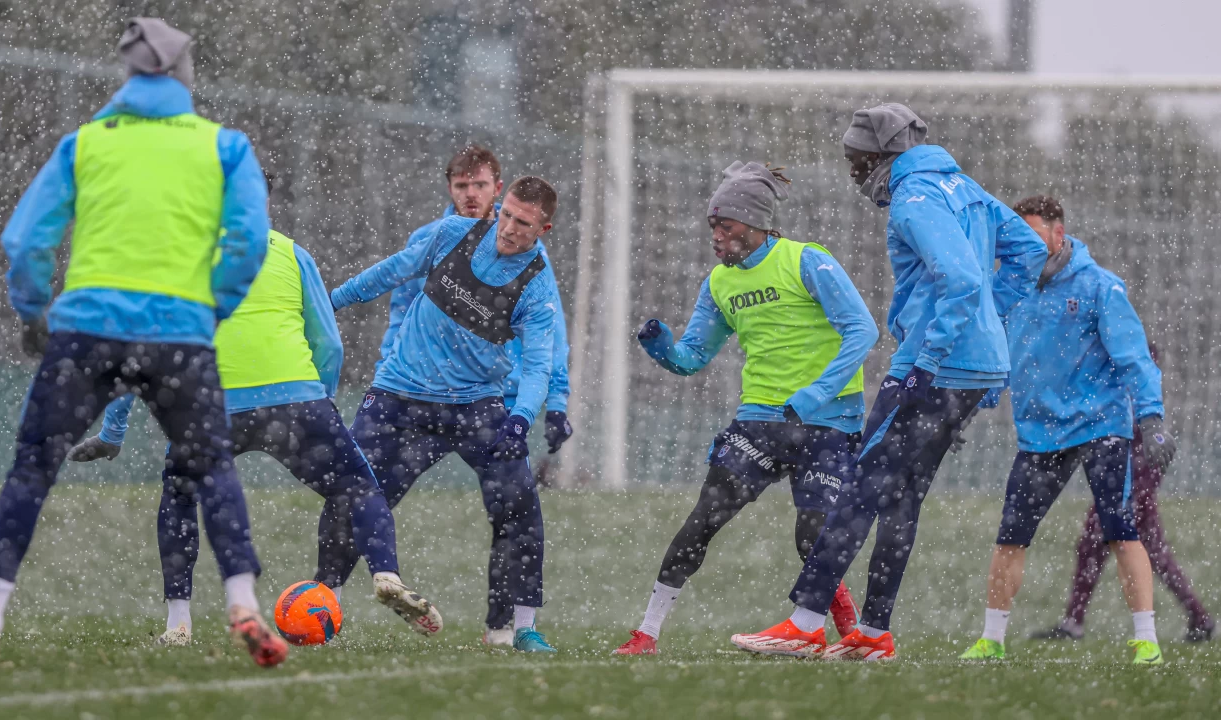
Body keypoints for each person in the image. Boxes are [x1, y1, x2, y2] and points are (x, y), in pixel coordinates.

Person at [0, 18, 286, 668]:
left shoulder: (85, 144)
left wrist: (30, 309)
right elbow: (246, 243)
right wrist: (209, 309)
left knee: (32, 470)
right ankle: (243, 602)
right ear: (186, 77)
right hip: (180, 336)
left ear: (127, 76)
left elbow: (25, 242)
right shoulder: (225, 146)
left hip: (85, 331)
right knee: (212, 468)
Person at [730, 103, 1048, 661]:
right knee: (902, 497)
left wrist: (930, 356)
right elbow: (1029, 250)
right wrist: (986, 323)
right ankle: (874, 635)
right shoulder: (964, 186)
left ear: (882, 155)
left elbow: (961, 276)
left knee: (860, 487)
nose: (853, 173)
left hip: (934, 367)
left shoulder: (913, 198)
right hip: (973, 368)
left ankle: (806, 622)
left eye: (855, 161)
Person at [66, 177, 442, 645]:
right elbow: (328, 342)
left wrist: (114, 430)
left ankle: (178, 623)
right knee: (357, 489)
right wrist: (317, 400)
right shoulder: (290, 252)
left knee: (180, 498)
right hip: (296, 401)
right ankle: (386, 574)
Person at [611, 162, 877, 656]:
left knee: (813, 536)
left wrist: (815, 395)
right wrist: (663, 350)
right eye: (712, 225)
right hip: (759, 423)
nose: (717, 235)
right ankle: (646, 633)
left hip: (828, 423)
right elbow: (693, 359)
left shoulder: (807, 261)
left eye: (725, 224)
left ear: (757, 222)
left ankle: (851, 636)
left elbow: (863, 331)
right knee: (703, 520)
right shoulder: (719, 283)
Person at [333, 146, 572, 646]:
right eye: (506, 215)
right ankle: (320, 599)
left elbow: (539, 362)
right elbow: (387, 277)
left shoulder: (537, 285)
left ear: (542, 231)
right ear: (497, 203)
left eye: (523, 225)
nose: (509, 229)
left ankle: (507, 630)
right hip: (401, 395)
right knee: (351, 493)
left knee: (518, 508)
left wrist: (527, 416)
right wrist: (325, 301)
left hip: (479, 407)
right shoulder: (445, 235)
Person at [958, 196, 1177, 665]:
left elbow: (1134, 357)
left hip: (1102, 428)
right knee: (1010, 537)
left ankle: (1147, 642)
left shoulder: (1100, 287)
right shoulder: (1006, 289)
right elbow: (993, 360)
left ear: (1060, 234)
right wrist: (967, 410)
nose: (1025, 247)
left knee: (1122, 532)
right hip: (1039, 435)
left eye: (1034, 236)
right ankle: (991, 640)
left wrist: (1152, 417)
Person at [1032, 349, 1213, 645]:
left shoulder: (1137, 392)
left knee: (1099, 546)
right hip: (1125, 481)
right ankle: (1200, 619)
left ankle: (1075, 622)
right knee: (1138, 553)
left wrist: (1136, 488)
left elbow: (1149, 443)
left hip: (1130, 484)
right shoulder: (1124, 387)